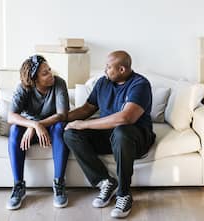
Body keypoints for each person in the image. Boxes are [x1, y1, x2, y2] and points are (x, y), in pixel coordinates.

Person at [63, 50, 156, 218]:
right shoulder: (103, 83)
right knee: (71, 133)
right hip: (109, 136)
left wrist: (85, 124)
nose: (105, 70)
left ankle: (124, 194)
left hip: (136, 137)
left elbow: (126, 117)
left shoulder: (140, 84)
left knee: (121, 132)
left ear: (122, 69)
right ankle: (105, 181)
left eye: (108, 67)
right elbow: (87, 109)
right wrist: (62, 118)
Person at [6, 55, 70, 210]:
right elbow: (11, 116)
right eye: (45, 73)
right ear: (34, 80)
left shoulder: (59, 83)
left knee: (60, 127)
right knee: (14, 130)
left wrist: (39, 125)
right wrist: (33, 125)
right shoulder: (23, 88)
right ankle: (18, 186)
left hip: (51, 126)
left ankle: (59, 183)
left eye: (49, 69)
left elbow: (62, 115)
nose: (50, 74)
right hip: (31, 128)